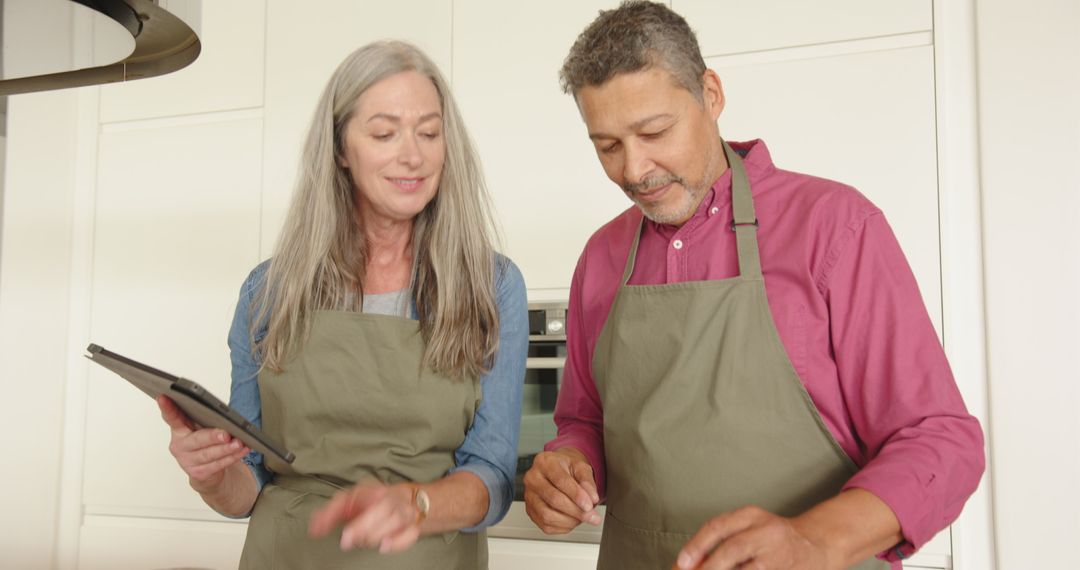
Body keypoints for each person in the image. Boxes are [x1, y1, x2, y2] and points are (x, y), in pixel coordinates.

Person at [522, 2, 985, 569]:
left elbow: (938, 438)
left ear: (710, 95)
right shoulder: (601, 256)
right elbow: (584, 421)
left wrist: (815, 539)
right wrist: (566, 467)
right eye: (608, 146)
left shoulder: (834, 225)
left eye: (654, 131)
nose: (635, 170)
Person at [156, 40, 527, 569]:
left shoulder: (491, 285)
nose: (414, 155)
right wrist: (212, 476)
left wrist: (415, 505)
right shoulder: (269, 292)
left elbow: (492, 476)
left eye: (429, 131)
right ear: (339, 150)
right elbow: (249, 484)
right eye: (384, 133)